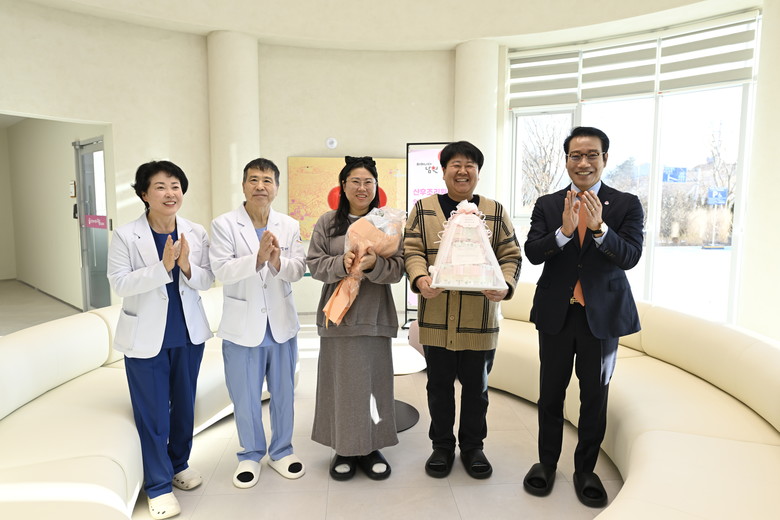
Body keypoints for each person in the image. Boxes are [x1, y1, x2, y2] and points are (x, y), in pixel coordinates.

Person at [522, 126, 644, 507]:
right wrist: (563, 232)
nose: (584, 162)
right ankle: (546, 463)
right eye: (576, 155)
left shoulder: (626, 205)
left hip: (601, 318)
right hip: (557, 314)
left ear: (605, 159)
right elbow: (533, 252)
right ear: (567, 161)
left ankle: (585, 470)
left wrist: (600, 229)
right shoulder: (548, 204)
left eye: (592, 155)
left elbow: (630, 256)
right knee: (550, 393)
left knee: (594, 396)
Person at [404, 141, 522, 479]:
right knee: (438, 387)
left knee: (477, 390)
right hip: (436, 318)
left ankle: (473, 447)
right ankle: (441, 445)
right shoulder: (423, 209)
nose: (462, 170)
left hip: (479, 320)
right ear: (443, 171)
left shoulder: (494, 211)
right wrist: (420, 277)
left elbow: (511, 254)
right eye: (455, 164)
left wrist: (505, 284)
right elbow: (411, 249)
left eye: (470, 164)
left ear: (478, 173)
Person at [107, 160, 214, 520]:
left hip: (187, 334)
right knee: (153, 414)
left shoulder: (195, 232)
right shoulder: (126, 235)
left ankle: (179, 464)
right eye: (160, 187)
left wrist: (186, 266)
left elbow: (206, 279)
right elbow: (119, 283)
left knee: (184, 406)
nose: (170, 193)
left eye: (175, 186)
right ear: (144, 194)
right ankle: (158, 486)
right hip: (145, 338)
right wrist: (162, 267)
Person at [209, 158, 307, 488]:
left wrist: (277, 262)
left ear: (276, 187)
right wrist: (257, 259)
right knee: (245, 396)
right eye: (253, 180)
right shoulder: (224, 224)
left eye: (267, 180)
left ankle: (282, 451)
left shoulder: (289, 225)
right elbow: (221, 270)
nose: (260, 186)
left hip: (281, 324)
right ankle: (250, 454)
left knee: (283, 394)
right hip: (242, 326)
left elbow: (298, 269)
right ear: (243, 186)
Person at [306, 156, 403, 481]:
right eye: (355, 182)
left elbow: (398, 270)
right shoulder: (327, 223)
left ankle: (372, 446)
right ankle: (344, 448)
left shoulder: (388, 223)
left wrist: (375, 264)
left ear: (376, 187)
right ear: (343, 186)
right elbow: (314, 264)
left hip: (375, 315)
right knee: (341, 386)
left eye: (368, 182)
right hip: (338, 317)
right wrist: (341, 263)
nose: (362, 188)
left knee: (376, 384)